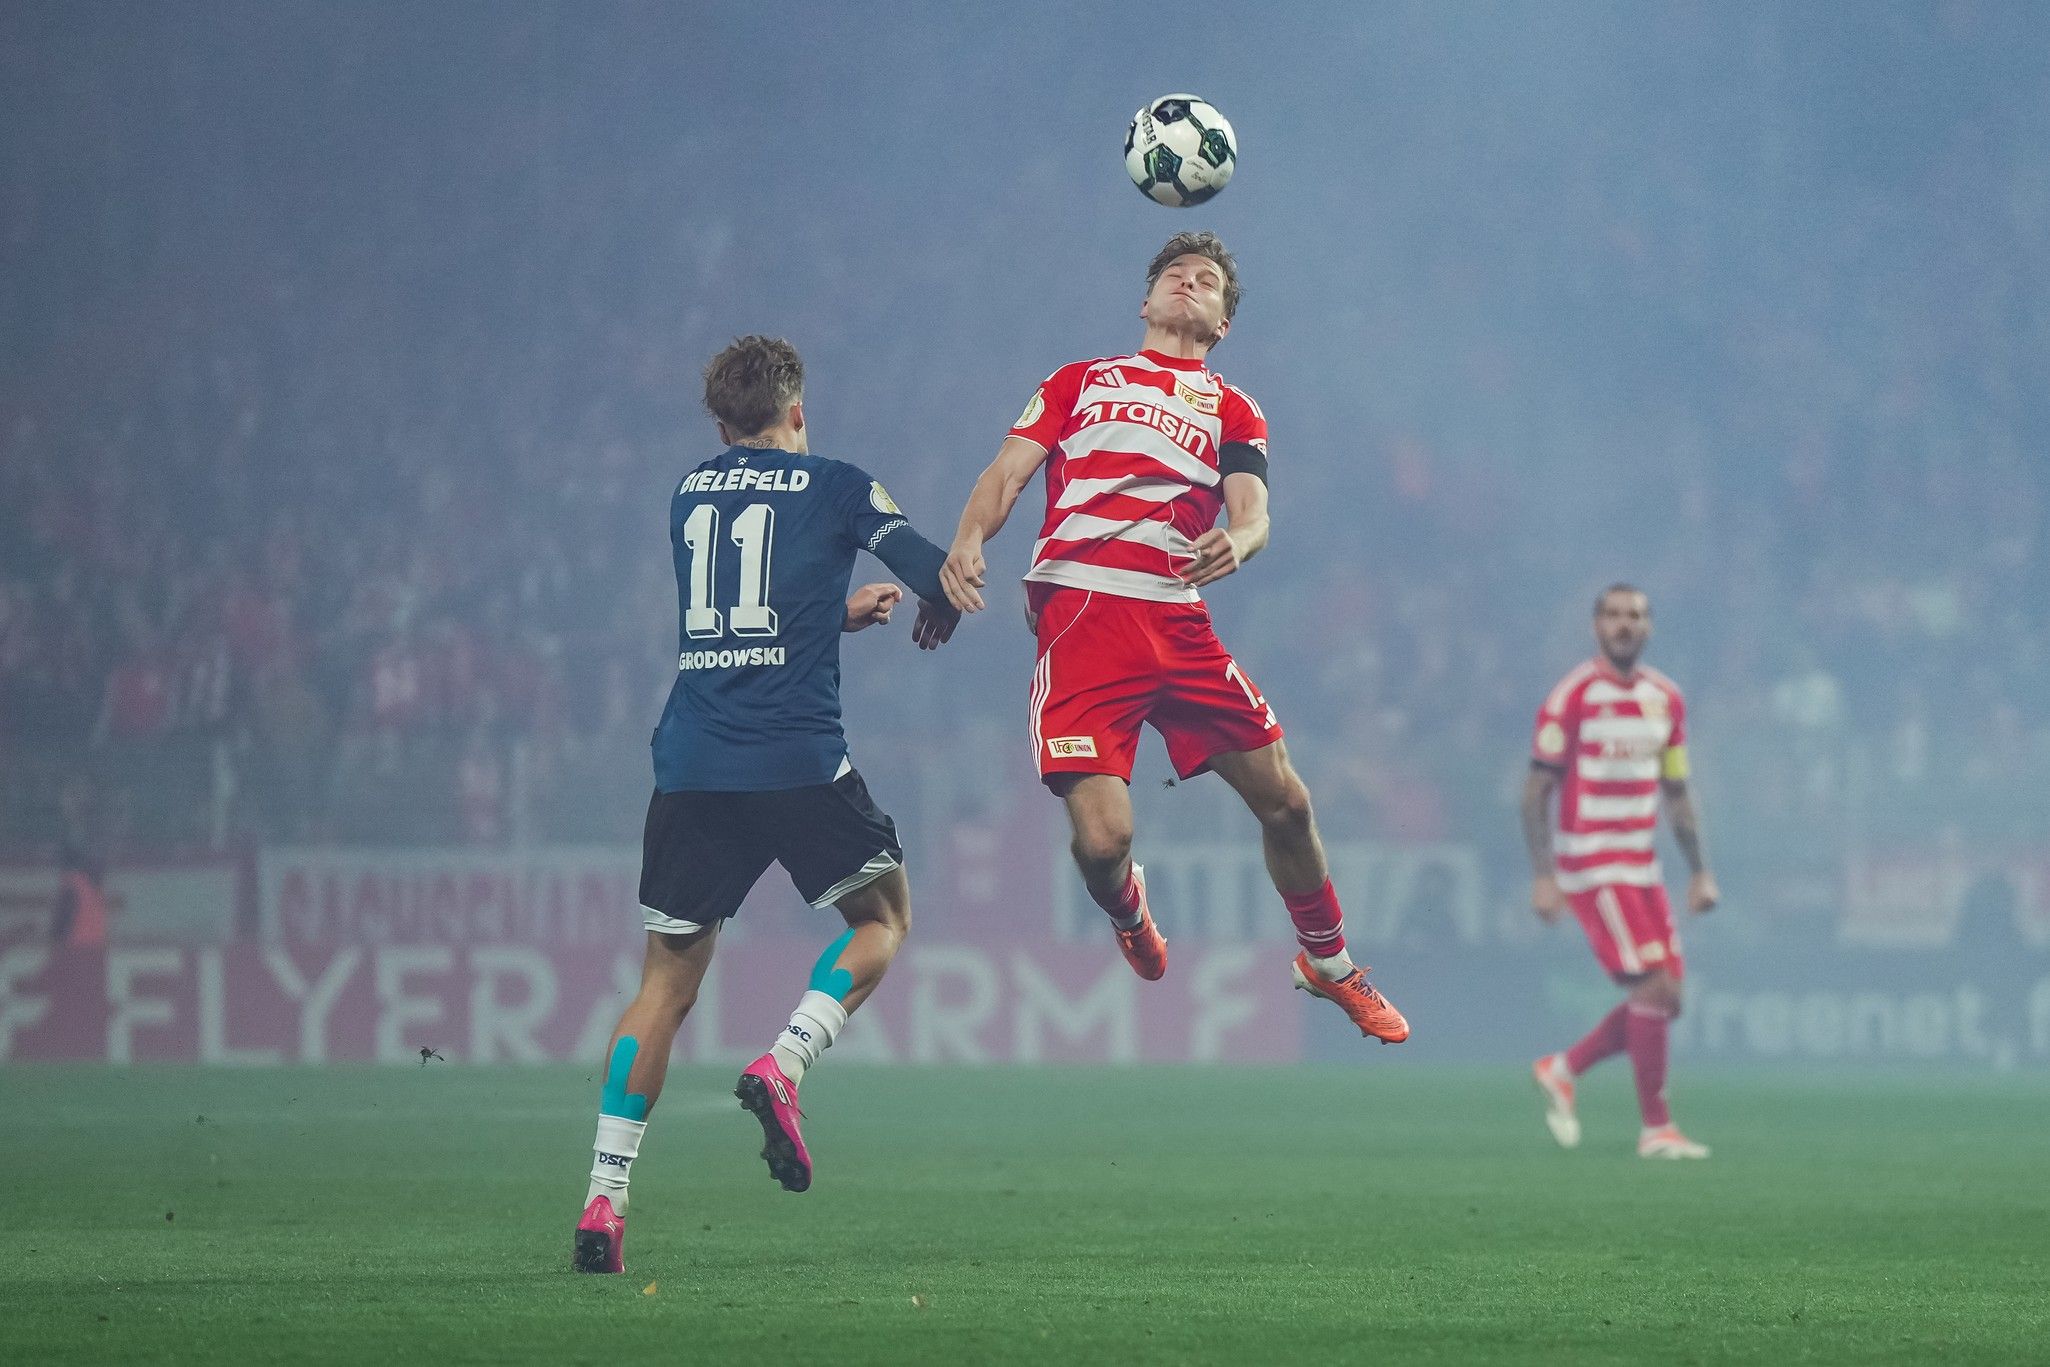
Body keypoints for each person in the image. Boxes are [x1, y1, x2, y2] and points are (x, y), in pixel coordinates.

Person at [919, 231, 1406, 1044]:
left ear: (1221, 323)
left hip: (1177, 618)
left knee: (1287, 802)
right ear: (1146, 302)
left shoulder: (1232, 406)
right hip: (1085, 617)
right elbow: (1007, 472)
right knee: (1103, 840)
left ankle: (1328, 963)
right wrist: (969, 540)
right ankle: (1127, 905)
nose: (1189, 282)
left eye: (1207, 280)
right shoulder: (1079, 381)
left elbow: (1253, 513)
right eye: (1175, 274)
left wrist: (1239, 543)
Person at [572, 336, 959, 1274]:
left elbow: (742, 614)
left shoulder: (689, 494)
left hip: (693, 763)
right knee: (885, 917)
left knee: (662, 985)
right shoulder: (836, 482)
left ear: (718, 423)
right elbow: (929, 563)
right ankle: (784, 1060)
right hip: (796, 761)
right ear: (797, 408)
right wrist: (936, 596)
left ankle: (603, 1200)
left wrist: (837, 613)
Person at [1522, 585, 1720, 1159]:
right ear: (1596, 627)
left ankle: (1563, 1068)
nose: (1623, 625)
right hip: (1591, 862)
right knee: (1654, 988)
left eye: (1634, 616)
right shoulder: (1573, 696)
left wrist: (1700, 872)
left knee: (1669, 997)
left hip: (1642, 863)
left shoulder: (1666, 700)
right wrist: (1543, 875)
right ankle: (1656, 1128)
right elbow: (1535, 790)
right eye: (1613, 616)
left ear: (1650, 627)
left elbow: (1677, 790)